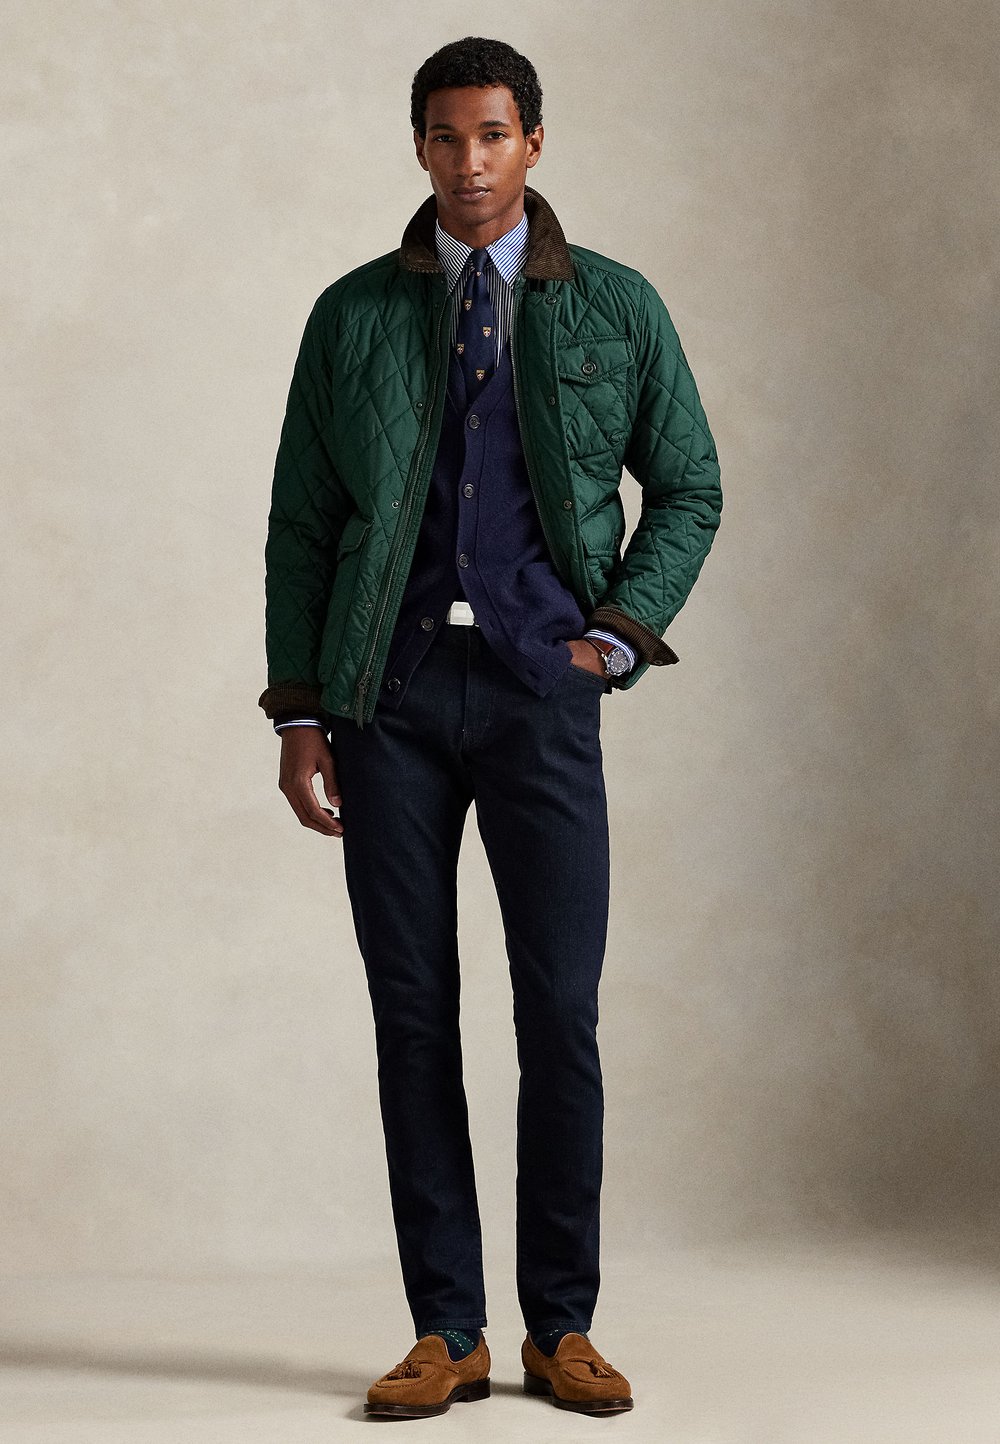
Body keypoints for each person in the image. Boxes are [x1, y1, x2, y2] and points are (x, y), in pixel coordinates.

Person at [257, 34, 723, 1420]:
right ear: (418, 146)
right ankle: (446, 1328)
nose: (469, 162)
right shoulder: (351, 315)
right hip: (386, 702)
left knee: (559, 1013)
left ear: (534, 143)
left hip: (539, 699)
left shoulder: (617, 307)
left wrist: (611, 639)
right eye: (446, 136)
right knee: (413, 1015)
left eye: (494, 135)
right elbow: (302, 524)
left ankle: (560, 1325)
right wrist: (300, 710)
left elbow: (689, 486)